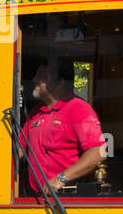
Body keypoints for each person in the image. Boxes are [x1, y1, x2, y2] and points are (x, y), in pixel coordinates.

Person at [22, 57, 107, 194]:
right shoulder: (36, 112)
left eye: (42, 75)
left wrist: (61, 178)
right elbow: (17, 150)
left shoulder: (79, 109)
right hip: (37, 199)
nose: (35, 79)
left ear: (60, 82)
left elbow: (98, 153)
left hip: (67, 199)